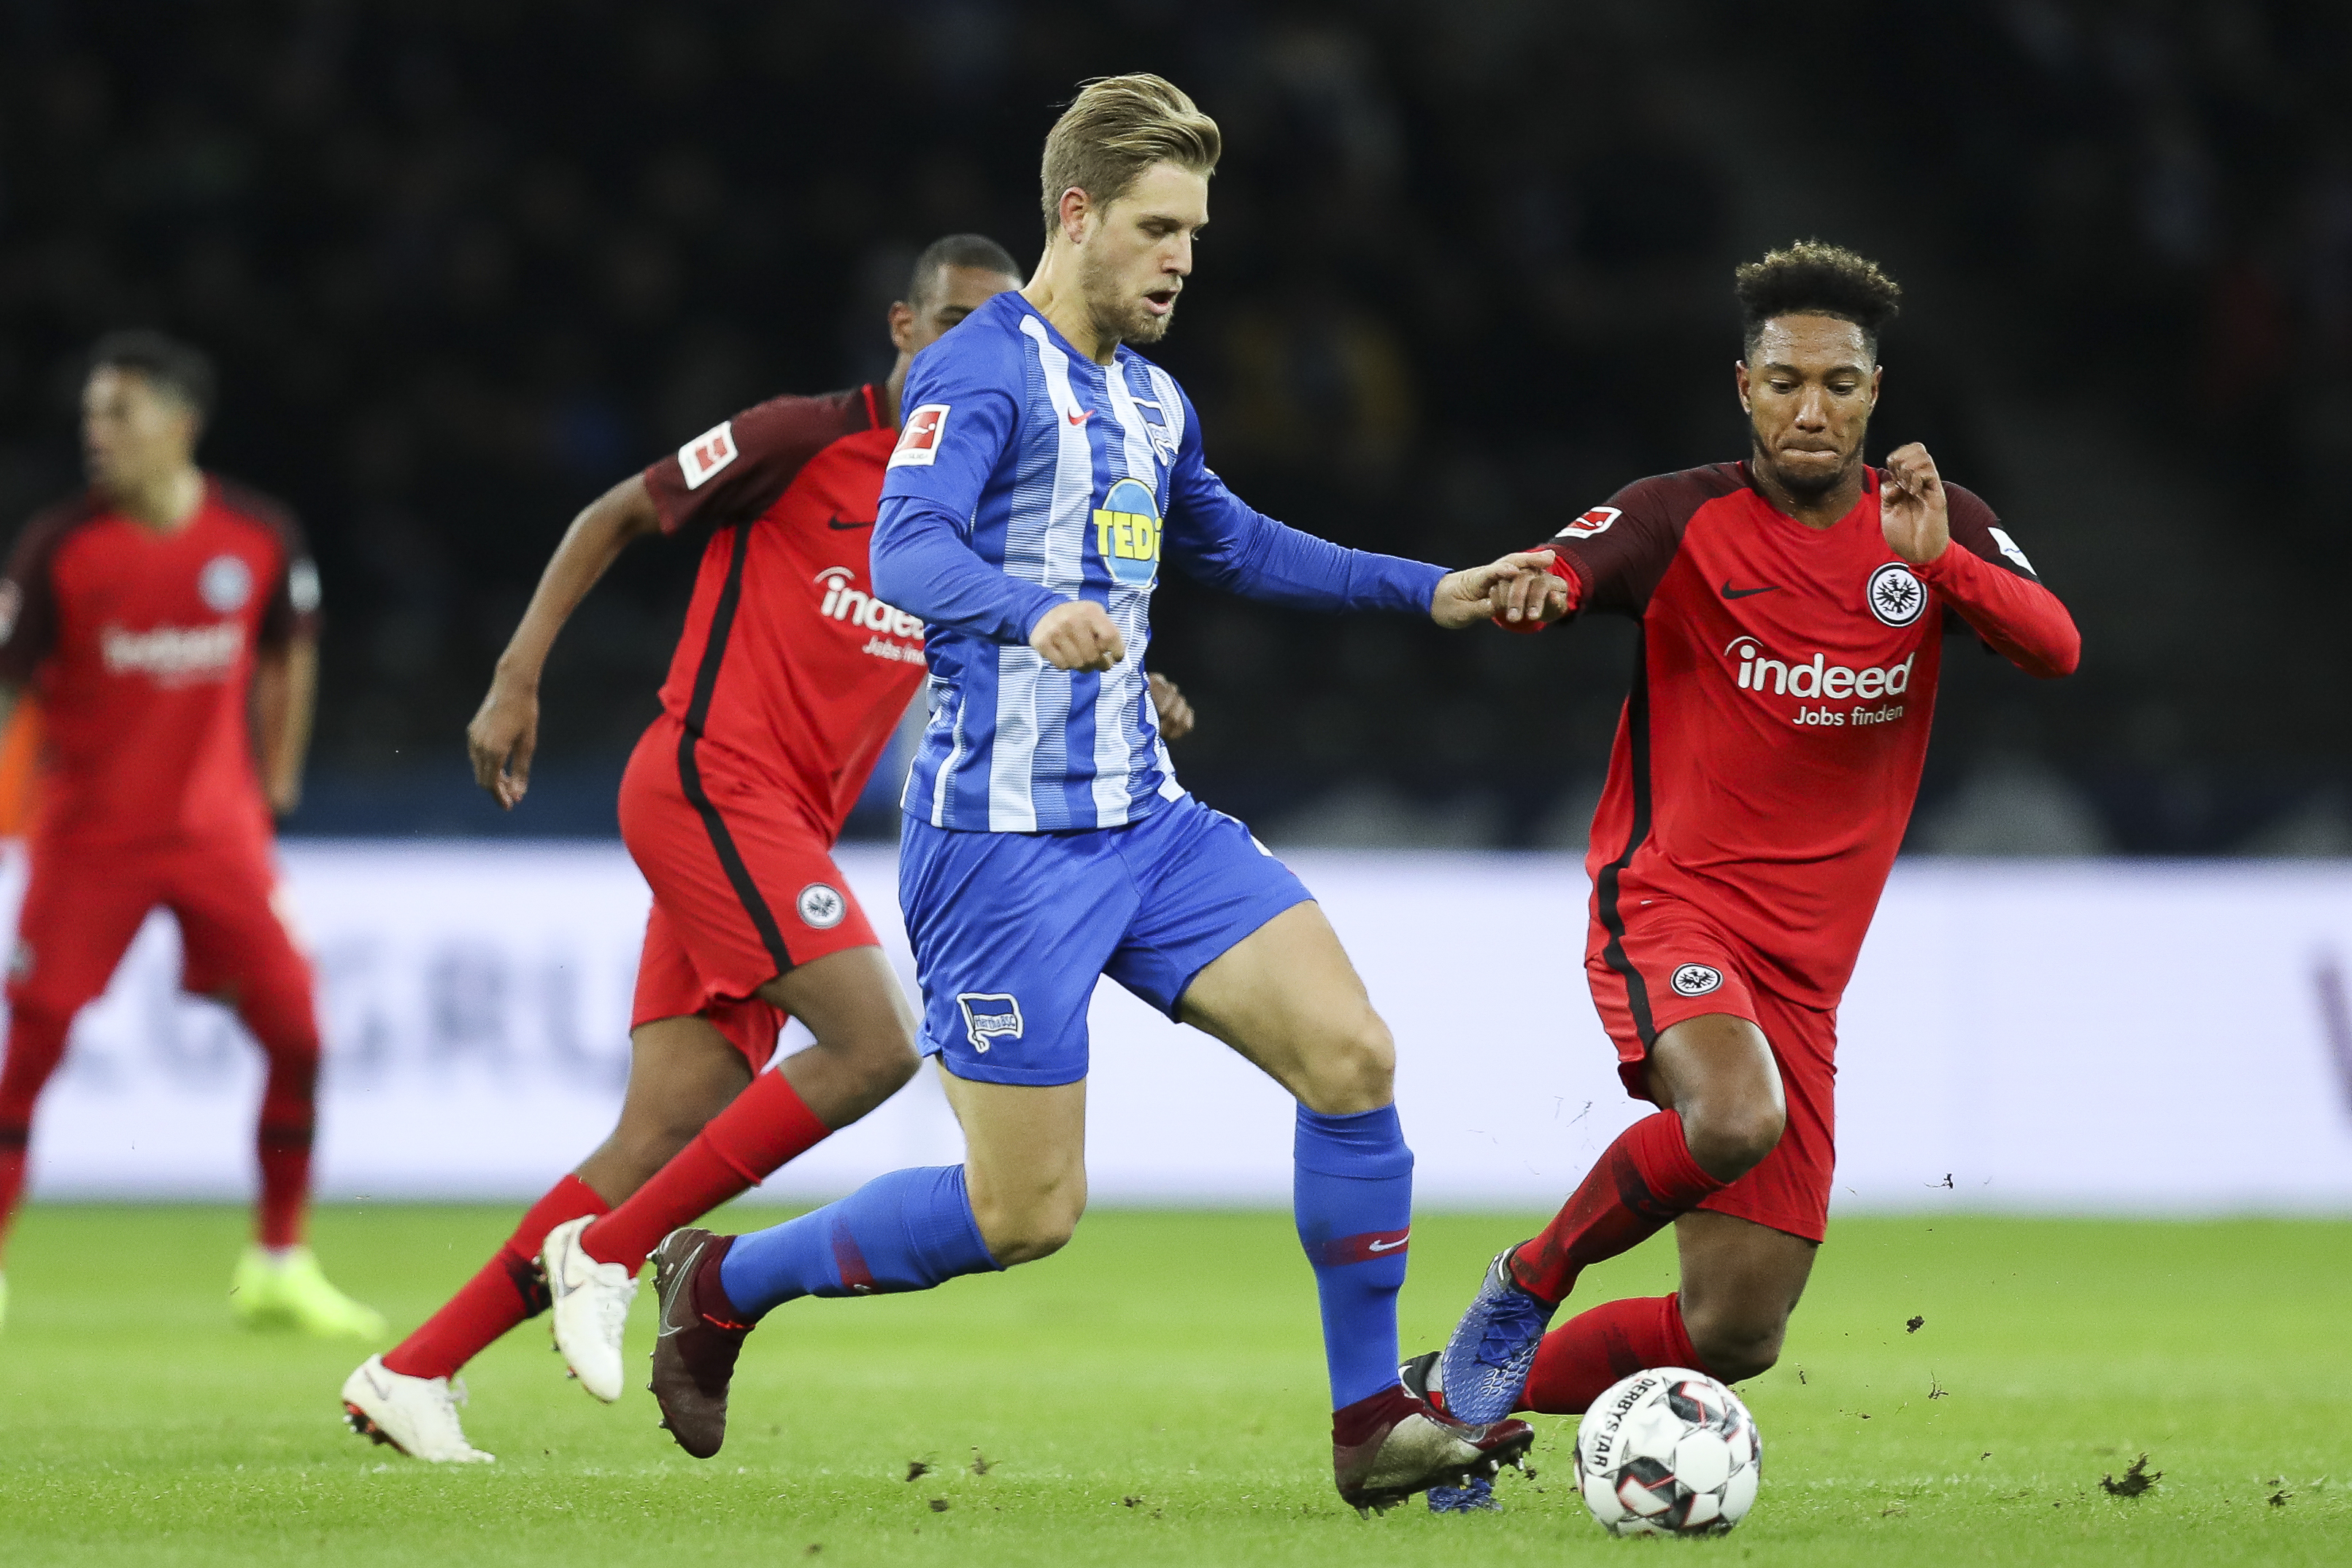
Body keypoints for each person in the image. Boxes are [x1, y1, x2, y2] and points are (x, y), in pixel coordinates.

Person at [636, 74, 1542, 1516]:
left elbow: (1234, 546)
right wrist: (1022, 609)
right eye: (1158, 227)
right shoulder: (978, 374)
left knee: (1352, 1057)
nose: (1184, 256)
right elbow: (906, 551)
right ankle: (724, 1278)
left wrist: (1427, 589)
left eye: (1195, 231)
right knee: (1026, 1215)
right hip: (999, 851)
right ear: (1078, 216)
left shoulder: (1149, 396)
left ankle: (1370, 1419)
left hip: (1143, 819)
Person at [342, 236, 1195, 1462]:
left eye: (995, 326)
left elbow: (1030, 633)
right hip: (708, 782)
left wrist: (1133, 681)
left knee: (661, 1137)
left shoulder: (970, 495)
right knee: (871, 1041)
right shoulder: (802, 437)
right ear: (903, 329)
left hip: (772, 826)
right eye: (951, 321)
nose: (973, 347)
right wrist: (517, 674)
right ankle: (620, 1253)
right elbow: (616, 511)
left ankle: (411, 1370)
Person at [1411, 240, 2082, 1511]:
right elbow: (1571, 563)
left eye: (1837, 383)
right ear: (1743, 386)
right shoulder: (1680, 515)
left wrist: (1939, 561)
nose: (1810, 408)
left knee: (1735, 1333)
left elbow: (2057, 649)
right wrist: (1538, 589)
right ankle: (1527, 1283)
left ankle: (1443, 1402)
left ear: (1876, 393)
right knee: (1729, 1117)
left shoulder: (1932, 527)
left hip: (1807, 982)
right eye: (1784, 382)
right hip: (1670, 900)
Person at [0, 331, 374, 1337]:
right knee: (30, 1048)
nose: (96, 433)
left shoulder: (258, 537)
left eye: (116, 413)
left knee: (298, 1033)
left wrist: (277, 783)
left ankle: (280, 1263)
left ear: (179, 423)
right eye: (89, 414)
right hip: (89, 843)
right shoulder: (58, 549)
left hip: (219, 842)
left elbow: (291, 655)